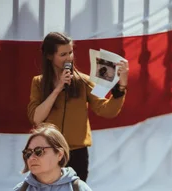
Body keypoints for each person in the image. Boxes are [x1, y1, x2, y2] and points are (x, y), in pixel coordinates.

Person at [27, 31, 129, 182]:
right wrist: (58, 89)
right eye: (63, 54)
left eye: (70, 52)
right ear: (49, 56)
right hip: (48, 151)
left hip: (77, 153)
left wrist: (121, 88)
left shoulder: (83, 82)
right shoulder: (39, 83)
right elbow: (36, 118)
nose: (69, 58)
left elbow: (106, 110)